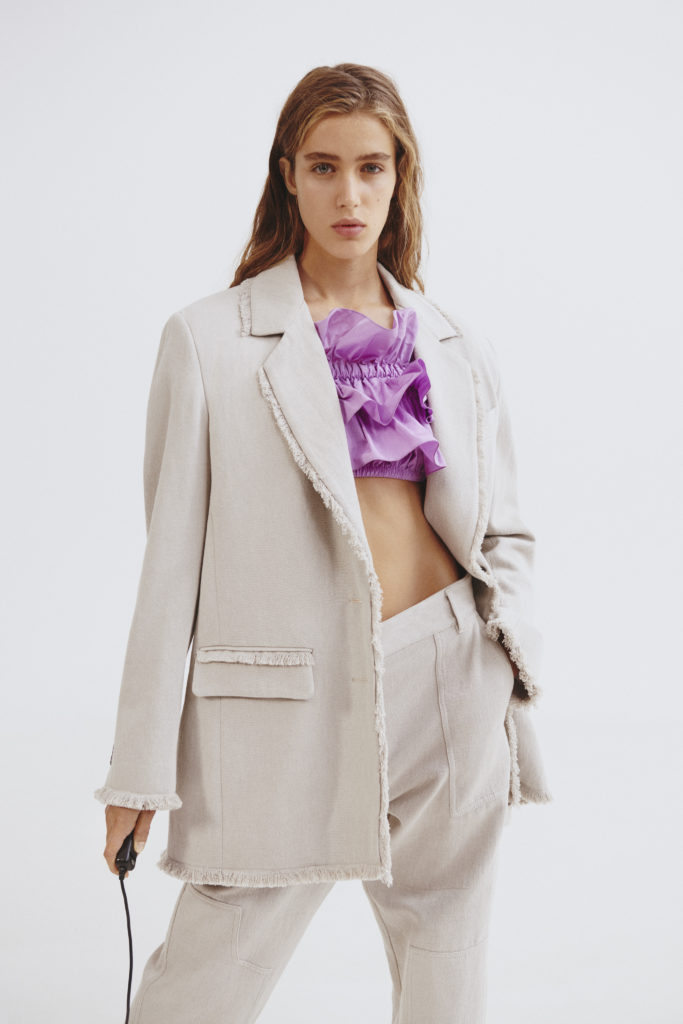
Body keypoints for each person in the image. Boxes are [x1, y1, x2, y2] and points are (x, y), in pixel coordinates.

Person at [95, 62, 552, 1023]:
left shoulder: (454, 341)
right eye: (324, 166)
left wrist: (501, 651)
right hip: (287, 695)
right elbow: (169, 571)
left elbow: (502, 526)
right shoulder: (208, 341)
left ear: (399, 176)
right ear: (288, 175)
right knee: (209, 972)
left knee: (446, 965)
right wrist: (139, 770)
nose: (350, 194)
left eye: (371, 168)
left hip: (449, 679)